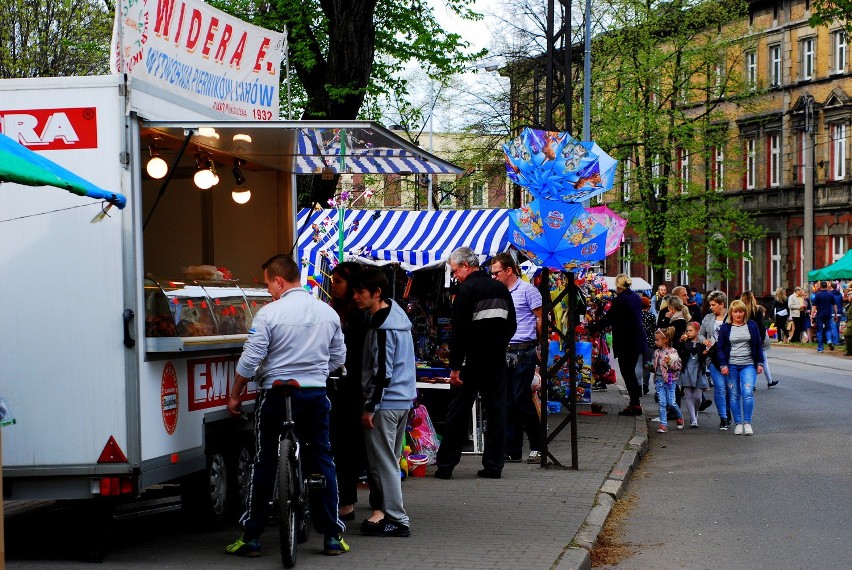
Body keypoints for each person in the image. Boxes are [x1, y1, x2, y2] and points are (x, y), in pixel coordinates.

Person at [225, 254, 349, 557]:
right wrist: (319, 370)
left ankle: (251, 537)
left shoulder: (269, 314)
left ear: (279, 281)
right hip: (315, 395)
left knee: (265, 460)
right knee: (322, 458)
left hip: (276, 395)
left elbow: (251, 357)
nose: (269, 291)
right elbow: (339, 358)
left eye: (269, 284)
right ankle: (332, 536)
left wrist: (236, 393)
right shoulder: (328, 313)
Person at [434, 247, 516, 480]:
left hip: (471, 362)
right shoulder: (501, 288)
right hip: (496, 360)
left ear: (466, 267)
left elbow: (459, 332)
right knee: (497, 412)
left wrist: (455, 367)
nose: (455, 275)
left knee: (458, 413)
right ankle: (493, 466)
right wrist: (498, 345)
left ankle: (446, 466)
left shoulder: (466, 290)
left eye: (455, 270)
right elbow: (512, 326)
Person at [352, 268, 417, 537]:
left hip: (386, 404)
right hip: (401, 401)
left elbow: (382, 372)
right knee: (388, 460)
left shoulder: (382, 326)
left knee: (385, 464)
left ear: (376, 293)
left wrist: (370, 407)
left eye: (360, 292)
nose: (355, 297)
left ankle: (397, 519)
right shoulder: (398, 317)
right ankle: (391, 516)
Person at [327, 262, 378, 523]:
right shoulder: (333, 311)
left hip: (358, 389)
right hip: (338, 388)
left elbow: (366, 357)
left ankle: (377, 504)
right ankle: (346, 502)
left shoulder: (363, 317)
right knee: (342, 447)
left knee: (362, 448)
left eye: (339, 281)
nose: (333, 285)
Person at [489, 252, 542, 464]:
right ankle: (513, 449)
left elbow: (540, 318)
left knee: (521, 398)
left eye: (497, 272)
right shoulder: (499, 293)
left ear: (509, 270)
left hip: (524, 350)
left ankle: (538, 445)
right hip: (506, 349)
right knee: (508, 400)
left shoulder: (528, 290)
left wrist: (537, 343)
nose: (494, 277)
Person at [588, 274, 647, 416]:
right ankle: (635, 403)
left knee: (627, 373)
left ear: (619, 286)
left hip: (626, 341)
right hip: (637, 339)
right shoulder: (636, 298)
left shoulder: (620, 300)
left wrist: (592, 329)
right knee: (630, 371)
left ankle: (635, 404)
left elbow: (609, 318)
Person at [716, 299, 765, 436]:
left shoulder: (752, 325)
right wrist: (723, 364)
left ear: (745, 312)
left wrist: (759, 363)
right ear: (731, 313)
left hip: (748, 364)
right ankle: (738, 423)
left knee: (747, 393)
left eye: (741, 311)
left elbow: (757, 345)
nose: (738, 314)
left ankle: (747, 423)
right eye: (736, 311)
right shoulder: (726, 328)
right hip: (731, 365)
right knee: (734, 394)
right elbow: (720, 348)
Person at [698, 291, 732, 430]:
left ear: (722, 304)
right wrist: (704, 340)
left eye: (713, 305)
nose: (711, 307)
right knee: (719, 388)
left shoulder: (731, 317)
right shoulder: (708, 318)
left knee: (730, 389)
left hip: (730, 358)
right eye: (710, 304)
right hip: (713, 358)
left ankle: (728, 412)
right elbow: (700, 333)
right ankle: (723, 417)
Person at [740, 290, 778, 387]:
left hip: (744, 337)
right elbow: (761, 326)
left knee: (748, 361)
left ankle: (751, 383)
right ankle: (768, 380)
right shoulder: (756, 310)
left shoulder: (741, 311)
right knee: (762, 359)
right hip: (757, 337)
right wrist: (762, 338)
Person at [652, 327, 683, 433]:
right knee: (662, 402)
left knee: (671, 402)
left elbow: (678, 367)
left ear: (664, 340)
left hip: (670, 379)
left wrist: (669, 362)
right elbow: (655, 366)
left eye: (657, 340)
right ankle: (663, 425)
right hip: (659, 380)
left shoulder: (672, 352)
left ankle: (679, 416)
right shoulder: (656, 352)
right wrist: (651, 367)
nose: (655, 342)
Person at [678, 322, 708, 428]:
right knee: (688, 395)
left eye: (691, 330)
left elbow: (705, 357)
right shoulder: (685, 342)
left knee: (698, 397)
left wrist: (706, 352)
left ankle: (695, 412)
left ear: (697, 331)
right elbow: (679, 353)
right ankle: (693, 419)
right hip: (686, 370)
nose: (688, 333)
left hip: (699, 371)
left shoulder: (702, 343)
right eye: (687, 331)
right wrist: (681, 342)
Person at [811, 281, 838, 353]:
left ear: (820, 286)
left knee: (819, 331)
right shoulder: (830, 294)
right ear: (826, 286)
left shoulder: (817, 295)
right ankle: (829, 340)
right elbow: (835, 305)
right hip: (828, 314)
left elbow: (814, 306)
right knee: (828, 329)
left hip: (820, 315)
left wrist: (811, 315)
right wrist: (835, 314)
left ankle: (820, 348)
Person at [640, 295, 657, 395]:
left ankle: (638, 384)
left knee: (638, 365)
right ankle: (645, 384)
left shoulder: (637, 315)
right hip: (649, 343)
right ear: (648, 306)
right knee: (647, 365)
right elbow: (654, 329)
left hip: (638, 342)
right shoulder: (651, 316)